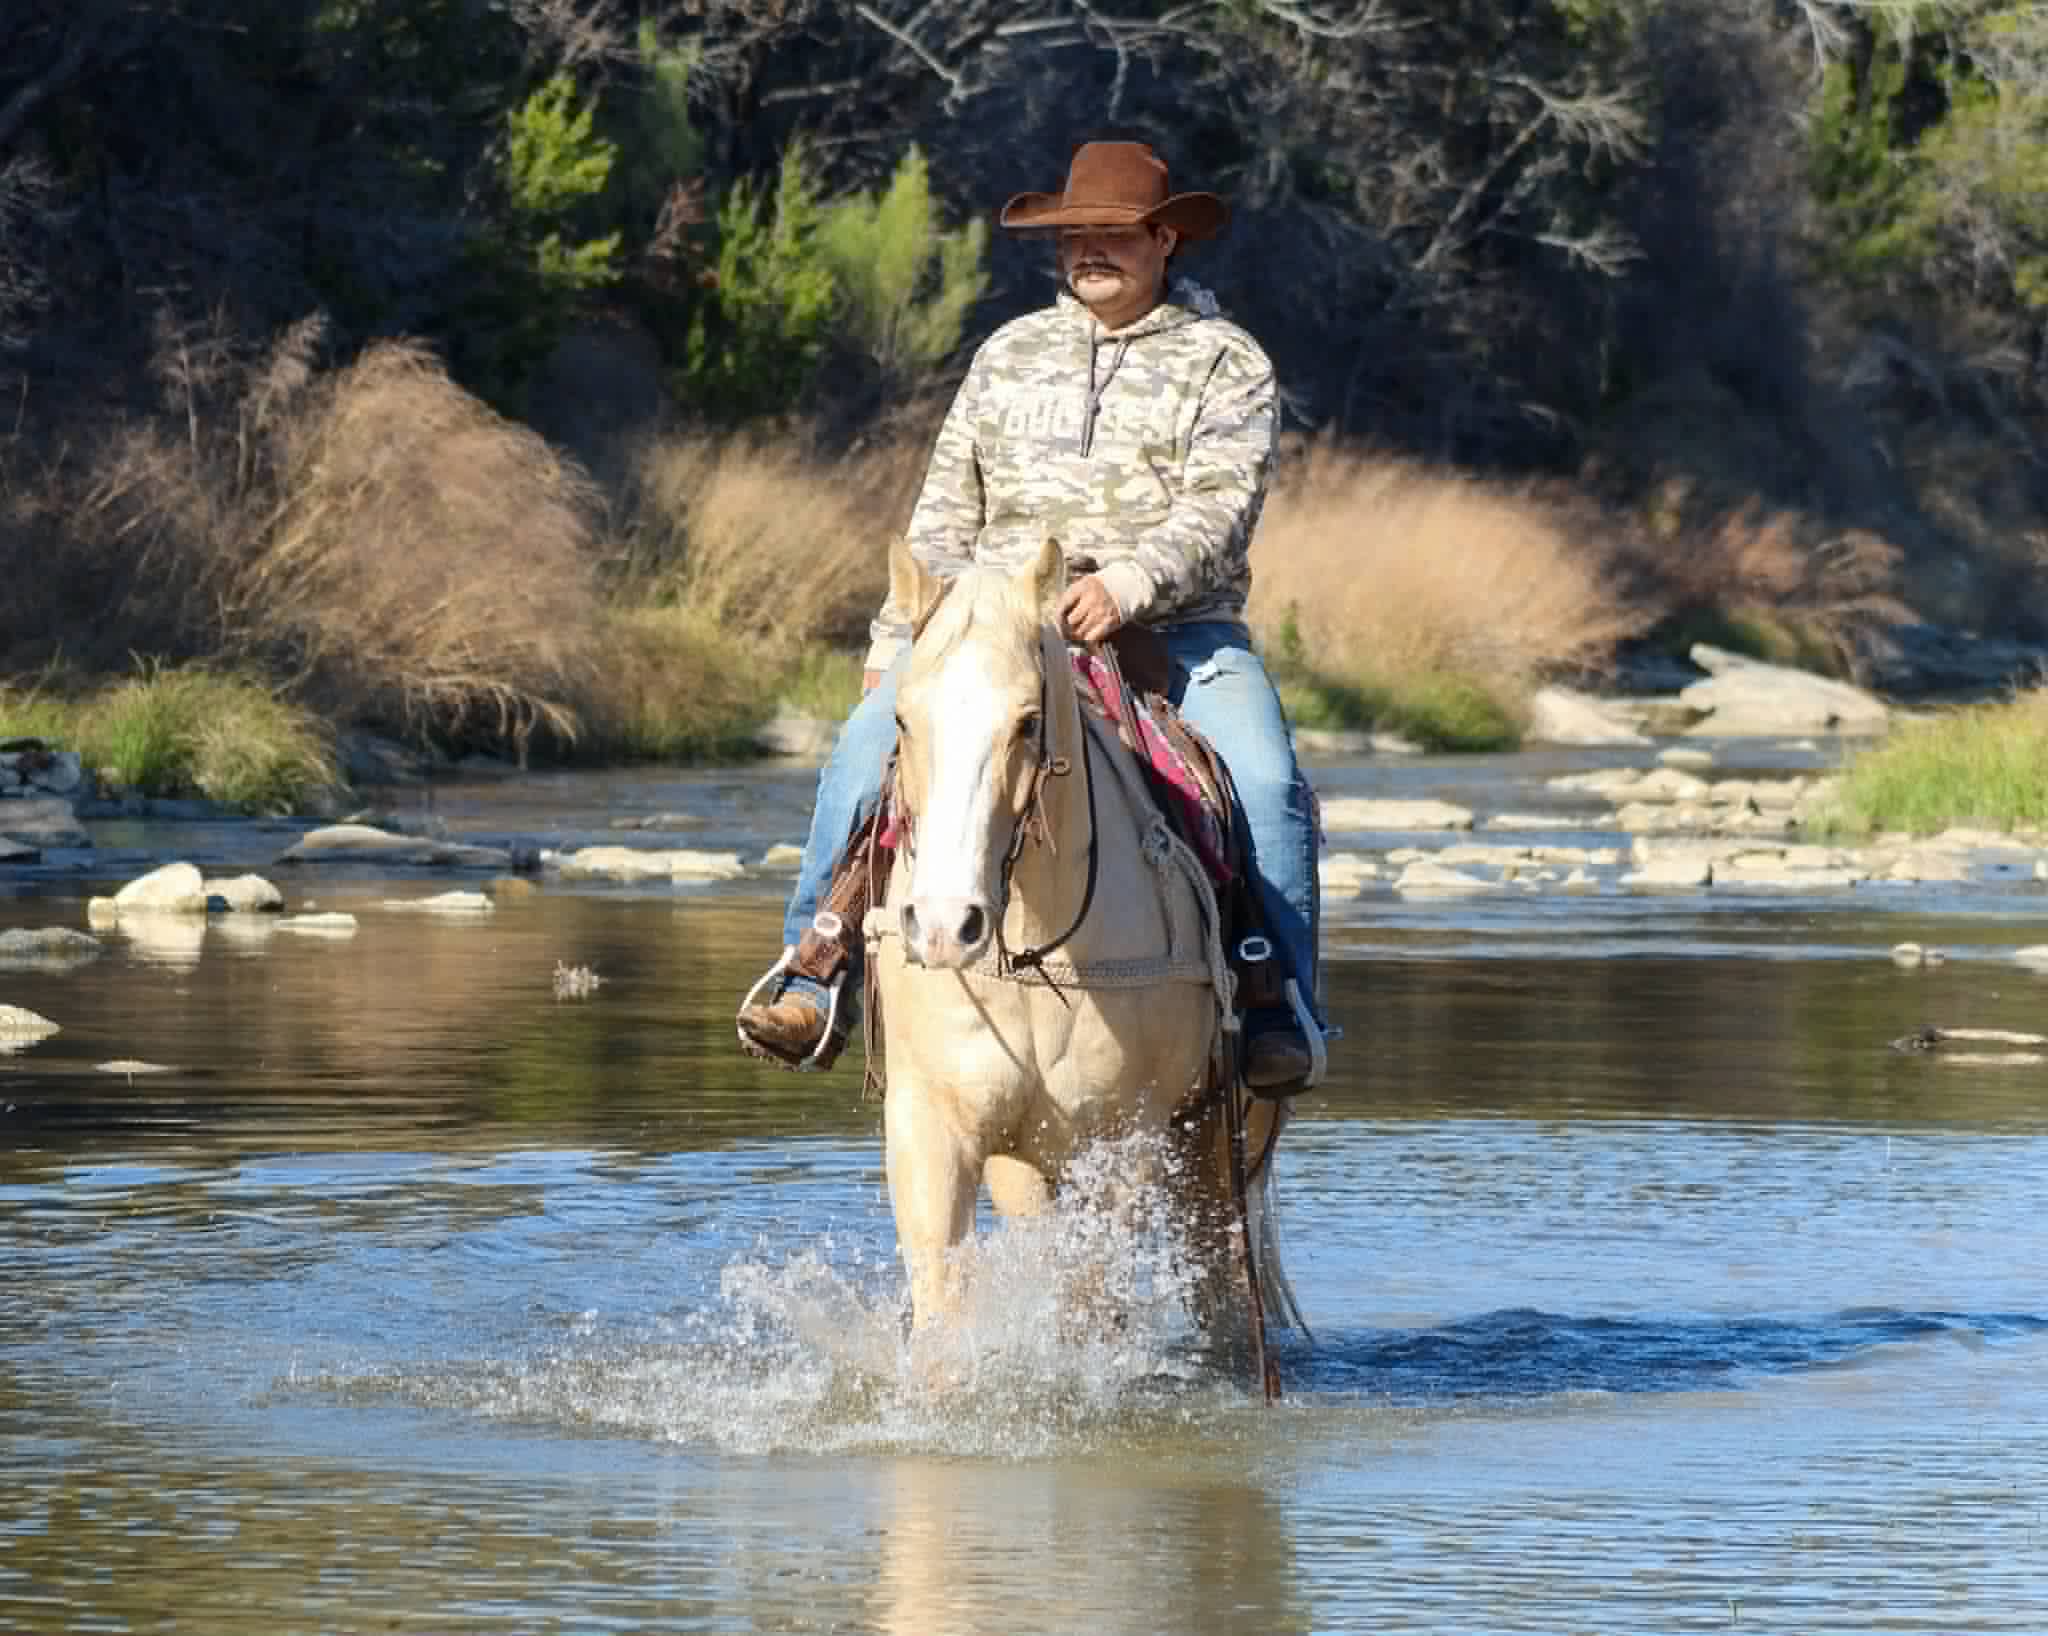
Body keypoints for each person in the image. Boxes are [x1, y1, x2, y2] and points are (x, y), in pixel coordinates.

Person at [735, 139, 1329, 1092]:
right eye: (1074, 233)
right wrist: (897, 643)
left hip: (1173, 635)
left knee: (1266, 784)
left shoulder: (1227, 362)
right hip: (988, 631)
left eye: (1114, 232)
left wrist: (1126, 584)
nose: (1090, 248)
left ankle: (1277, 1000)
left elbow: (1221, 509)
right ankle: (820, 969)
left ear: (1166, 237)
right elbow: (942, 516)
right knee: (856, 756)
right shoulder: (1007, 354)